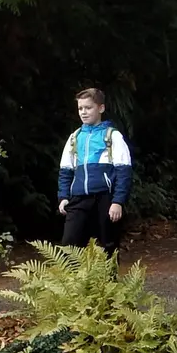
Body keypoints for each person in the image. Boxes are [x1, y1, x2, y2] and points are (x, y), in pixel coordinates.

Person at [58, 87, 132, 252]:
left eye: (88, 107)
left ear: (101, 108)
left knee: (108, 247)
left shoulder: (113, 136)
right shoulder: (74, 137)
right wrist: (63, 197)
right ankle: (73, 279)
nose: (83, 112)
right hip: (78, 199)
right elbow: (65, 171)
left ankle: (109, 279)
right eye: (80, 108)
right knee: (69, 247)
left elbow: (124, 172)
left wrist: (117, 202)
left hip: (104, 198)